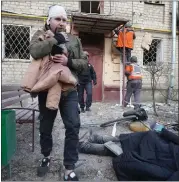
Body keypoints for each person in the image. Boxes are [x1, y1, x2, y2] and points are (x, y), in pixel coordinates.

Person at [29, 5, 87, 181]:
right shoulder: (40, 34)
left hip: (69, 91)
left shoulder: (74, 40)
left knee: (73, 126)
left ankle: (69, 167)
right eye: (57, 19)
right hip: (47, 90)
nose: (62, 23)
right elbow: (34, 51)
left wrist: (68, 61)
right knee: (45, 128)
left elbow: (83, 64)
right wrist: (55, 40)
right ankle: (46, 156)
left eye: (64, 19)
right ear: (49, 21)